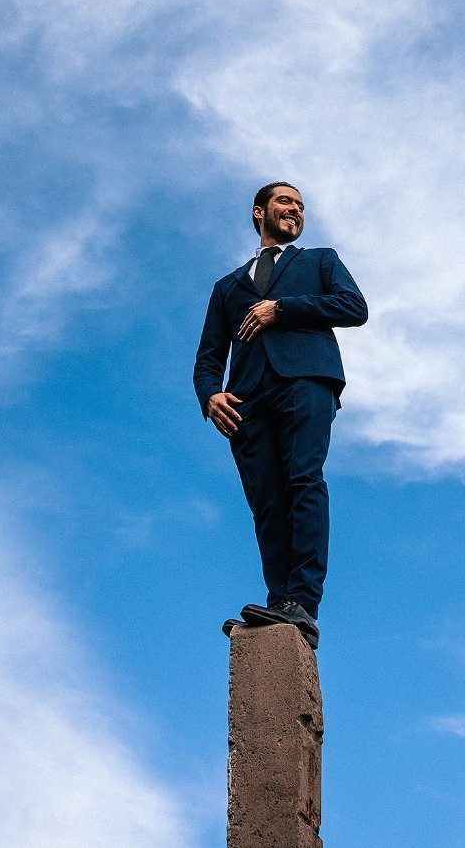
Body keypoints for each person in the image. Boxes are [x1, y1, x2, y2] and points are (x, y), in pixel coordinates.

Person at [195, 181, 368, 649]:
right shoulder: (226, 287)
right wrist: (211, 395)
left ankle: (303, 603)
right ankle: (278, 602)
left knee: (303, 481)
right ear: (259, 212)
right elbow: (210, 355)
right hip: (246, 403)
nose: (295, 210)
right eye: (285, 202)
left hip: (307, 381)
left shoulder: (319, 261)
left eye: (301, 205)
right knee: (267, 503)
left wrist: (282, 309)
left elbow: (354, 308)